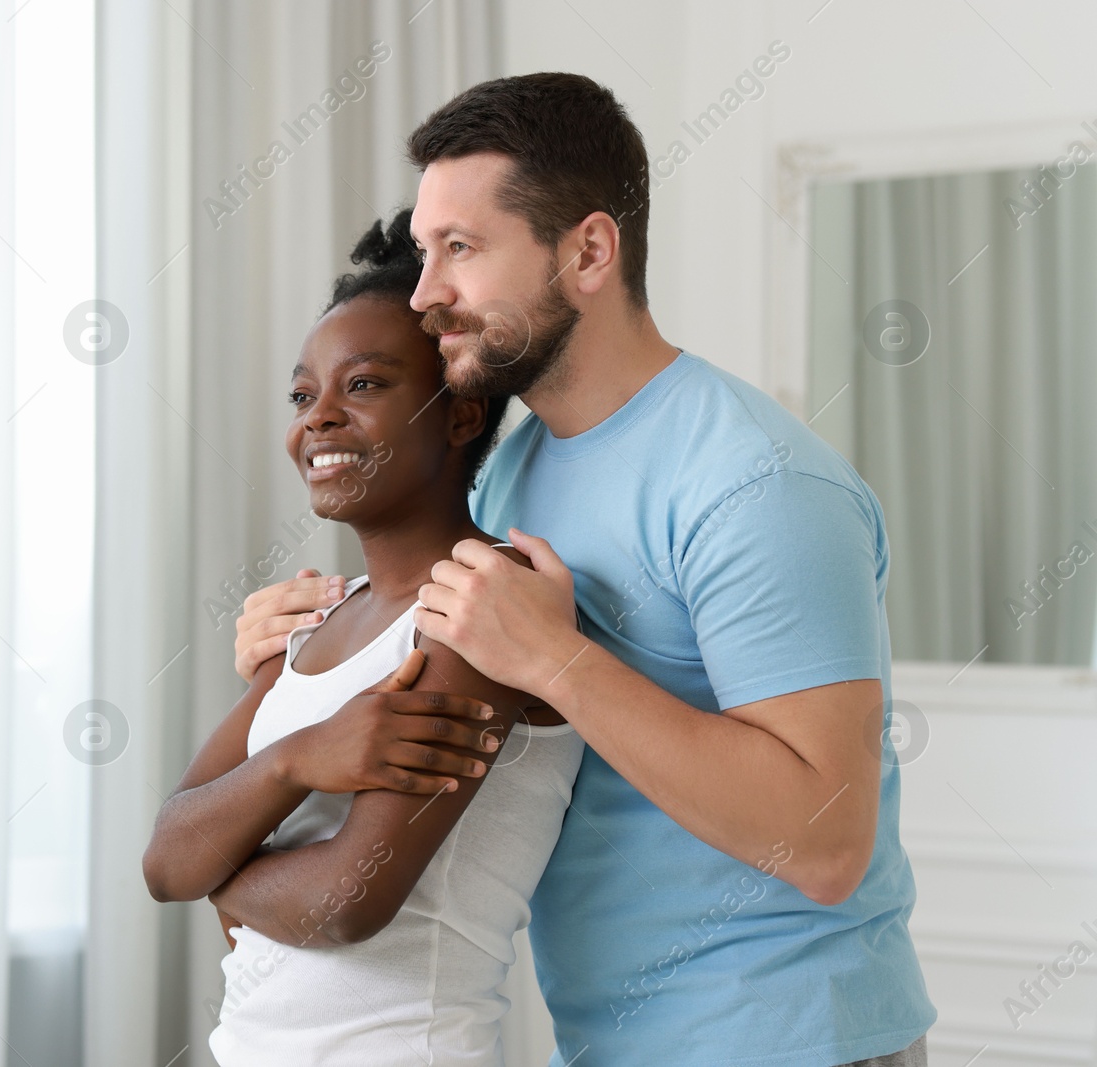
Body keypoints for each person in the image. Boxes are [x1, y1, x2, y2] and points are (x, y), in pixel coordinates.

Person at [234, 73, 935, 1066]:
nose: (428, 294)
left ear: (590, 251)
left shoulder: (757, 481)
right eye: (428, 252)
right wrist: (304, 646)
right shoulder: (518, 463)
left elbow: (823, 845)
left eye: (462, 251)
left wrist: (558, 663)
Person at [143, 209, 587, 1066]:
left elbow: (348, 900)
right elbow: (165, 860)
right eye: (304, 394)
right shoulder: (313, 619)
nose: (319, 420)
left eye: (366, 385)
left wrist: (224, 869)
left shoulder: (481, 610)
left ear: (460, 417)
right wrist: (297, 758)